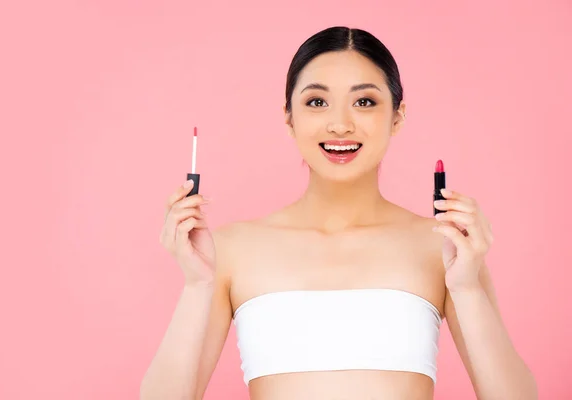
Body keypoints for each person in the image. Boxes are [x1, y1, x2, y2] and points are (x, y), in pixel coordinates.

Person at [140, 26, 537, 400]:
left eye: (364, 101)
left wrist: (467, 288)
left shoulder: (445, 247)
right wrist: (196, 287)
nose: (340, 124)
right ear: (289, 118)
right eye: (316, 102)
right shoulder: (229, 250)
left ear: (397, 116)